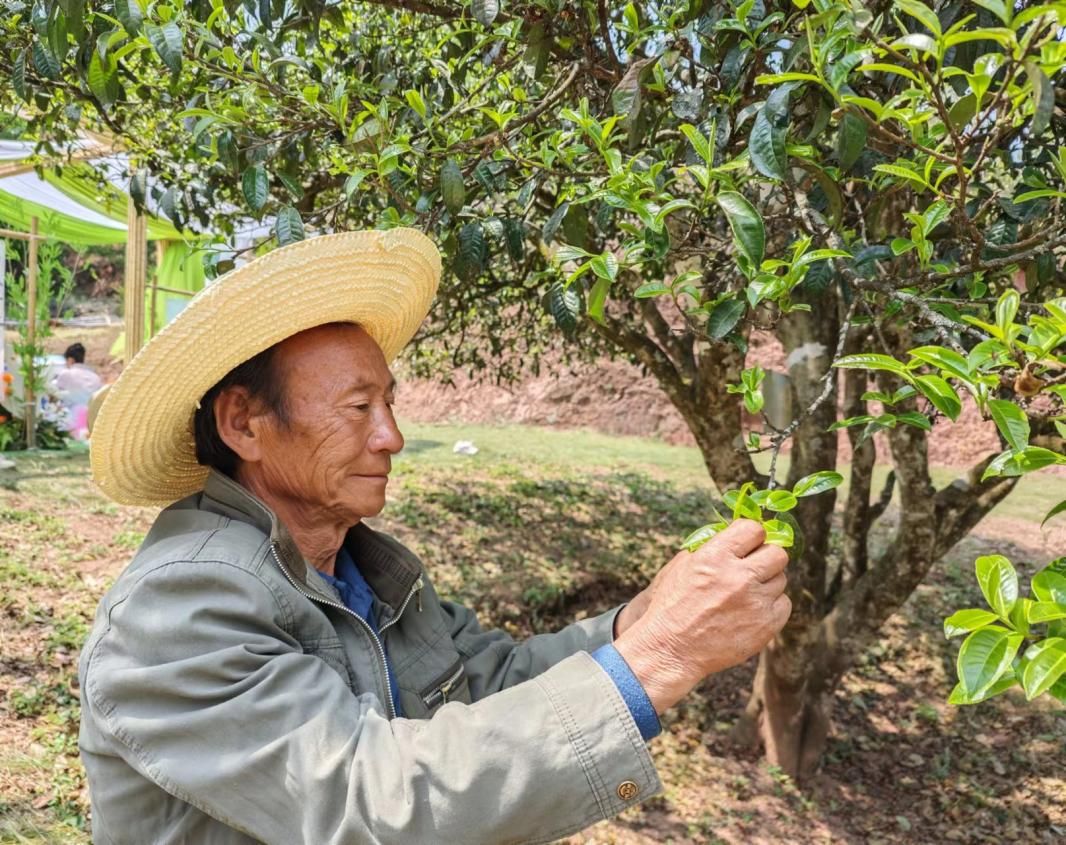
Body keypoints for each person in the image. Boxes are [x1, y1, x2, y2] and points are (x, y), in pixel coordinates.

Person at [80, 229, 791, 845]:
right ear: (243, 424)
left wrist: (639, 622)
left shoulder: (361, 573)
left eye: (388, 402)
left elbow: (487, 684)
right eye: (358, 407)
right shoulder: (177, 607)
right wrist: (656, 657)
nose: (391, 436)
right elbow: (370, 801)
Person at [52, 342, 103, 439]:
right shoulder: (95, 377)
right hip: (91, 422)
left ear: (70, 360)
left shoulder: (67, 374)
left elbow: (54, 392)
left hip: (71, 421)